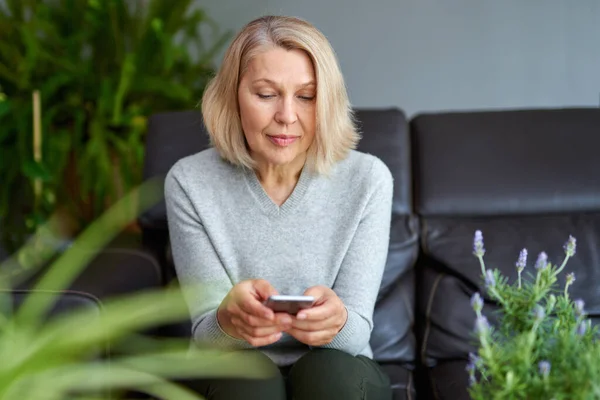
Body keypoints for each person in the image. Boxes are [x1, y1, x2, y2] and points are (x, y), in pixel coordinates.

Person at [164, 15, 394, 400]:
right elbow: (207, 337)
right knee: (251, 379)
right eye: (267, 94)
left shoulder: (368, 179)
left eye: (306, 96)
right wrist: (227, 321)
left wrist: (336, 323)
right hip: (233, 369)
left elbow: (356, 337)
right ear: (232, 97)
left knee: (327, 374)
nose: (287, 116)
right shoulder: (189, 182)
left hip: (338, 368)